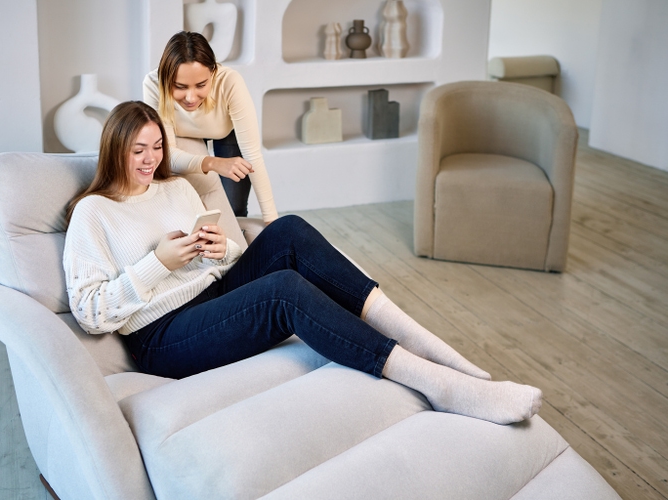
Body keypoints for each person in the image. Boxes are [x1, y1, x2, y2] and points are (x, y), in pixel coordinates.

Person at [64, 101, 543, 426]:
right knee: (284, 290)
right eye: (137, 150)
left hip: (210, 294)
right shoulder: (94, 211)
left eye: (157, 147)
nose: (150, 160)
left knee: (288, 231)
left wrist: (217, 249)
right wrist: (156, 264)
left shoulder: (175, 187)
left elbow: (223, 262)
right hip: (163, 336)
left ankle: (433, 349)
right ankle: (441, 385)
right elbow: (89, 312)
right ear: (115, 149)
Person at [143, 31, 277, 223]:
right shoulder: (153, 84)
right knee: (193, 205)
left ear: (213, 73)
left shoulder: (230, 81)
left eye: (201, 85)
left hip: (226, 134)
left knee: (234, 209)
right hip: (183, 137)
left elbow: (252, 155)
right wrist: (213, 163)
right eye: (180, 86)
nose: (190, 98)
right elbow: (166, 154)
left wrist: (271, 218)